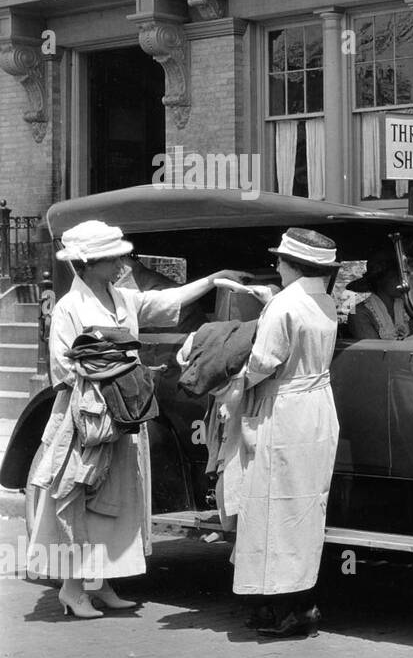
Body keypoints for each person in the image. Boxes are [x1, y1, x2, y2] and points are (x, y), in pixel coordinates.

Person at [28, 220, 249, 619]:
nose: (121, 263)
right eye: (113, 257)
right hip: (87, 421)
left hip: (123, 417)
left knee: (116, 501)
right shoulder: (69, 309)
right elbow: (63, 371)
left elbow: (168, 302)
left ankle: (104, 582)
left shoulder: (123, 298)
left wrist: (215, 280)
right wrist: (114, 369)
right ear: (89, 263)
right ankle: (72, 589)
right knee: (80, 497)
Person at [232, 228, 342, 637]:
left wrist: (236, 378)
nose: (276, 265)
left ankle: (284, 607)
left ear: (295, 265)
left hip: (286, 408)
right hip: (318, 407)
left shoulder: (285, 305)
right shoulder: (325, 300)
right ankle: (299, 602)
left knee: (274, 509)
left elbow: (264, 361)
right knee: (306, 509)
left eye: (280, 260)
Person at [346, 248, 410, 340]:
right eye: (394, 276)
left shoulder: (408, 309)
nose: (402, 281)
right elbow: (373, 351)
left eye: (403, 276)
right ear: (380, 280)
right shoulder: (359, 313)